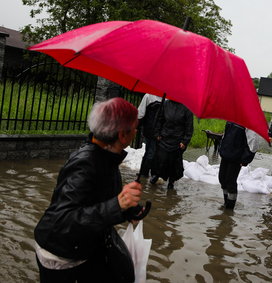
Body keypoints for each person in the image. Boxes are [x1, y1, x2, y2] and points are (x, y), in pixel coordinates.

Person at [34, 97, 144, 283]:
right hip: (62, 256)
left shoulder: (107, 156)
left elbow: (97, 199)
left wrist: (127, 211)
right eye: (134, 128)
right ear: (122, 135)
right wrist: (117, 205)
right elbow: (63, 220)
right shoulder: (85, 164)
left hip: (86, 244)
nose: (136, 131)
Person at [150, 100, 193, 190]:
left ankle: (171, 181)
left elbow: (189, 127)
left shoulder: (187, 108)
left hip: (177, 140)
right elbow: (159, 120)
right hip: (164, 137)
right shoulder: (165, 104)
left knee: (173, 162)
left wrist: (185, 141)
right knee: (160, 159)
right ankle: (157, 175)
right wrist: (157, 133)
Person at [218, 122, 259, 209]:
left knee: (230, 181)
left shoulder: (248, 121)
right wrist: (221, 148)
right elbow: (225, 135)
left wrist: (245, 159)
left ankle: (230, 208)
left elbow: (253, 143)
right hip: (226, 154)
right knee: (222, 179)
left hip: (237, 157)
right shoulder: (231, 118)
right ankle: (226, 202)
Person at [137, 93, 162, 177]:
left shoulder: (167, 99)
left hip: (160, 132)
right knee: (150, 152)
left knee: (154, 152)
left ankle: (149, 173)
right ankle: (145, 173)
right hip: (150, 130)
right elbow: (140, 113)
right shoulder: (148, 96)